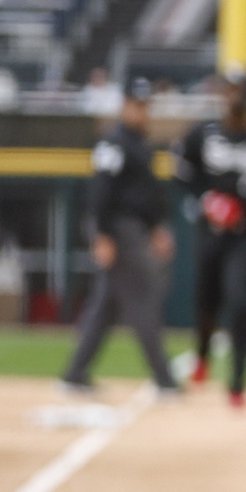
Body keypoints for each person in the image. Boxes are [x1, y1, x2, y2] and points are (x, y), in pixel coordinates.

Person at [60, 78, 181, 398]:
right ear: (125, 106)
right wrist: (101, 234)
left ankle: (74, 373)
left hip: (133, 228)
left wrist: (156, 228)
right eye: (136, 105)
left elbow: (145, 195)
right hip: (119, 230)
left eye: (145, 105)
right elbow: (100, 189)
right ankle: (164, 379)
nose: (142, 111)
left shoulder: (138, 143)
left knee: (105, 306)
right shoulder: (114, 143)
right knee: (145, 299)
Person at [175, 76, 246, 406]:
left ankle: (237, 382)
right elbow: (182, 175)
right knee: (207, 300)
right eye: (230, 92)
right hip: (211, 234)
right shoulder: (203, 134)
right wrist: (207, 200)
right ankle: (202, 355)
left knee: (240, 303)